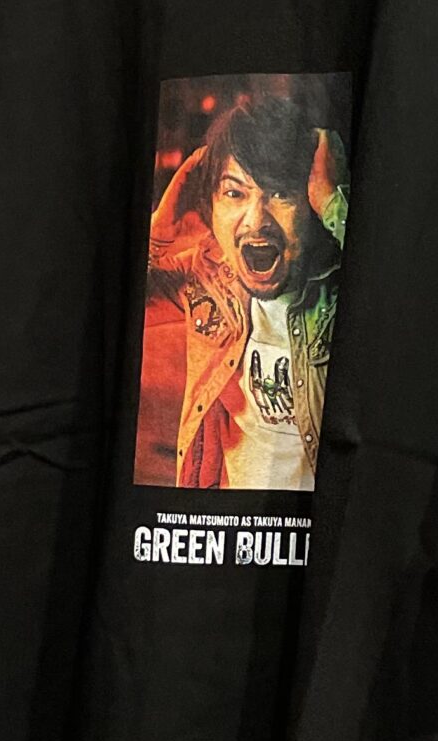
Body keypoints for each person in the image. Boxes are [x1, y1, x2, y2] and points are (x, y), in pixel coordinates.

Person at [144, 90, 345, 490]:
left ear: (311, 202)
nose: (256, 220)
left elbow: (405, 305)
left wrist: (334, 203)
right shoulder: (207, 279)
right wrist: (166, 221)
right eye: (234, 193)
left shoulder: (338, 289)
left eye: (281, 193)